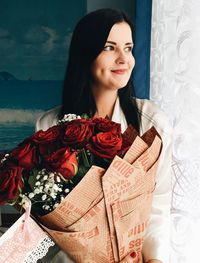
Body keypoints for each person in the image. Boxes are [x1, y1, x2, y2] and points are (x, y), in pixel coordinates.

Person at [36, 8, 172, 263]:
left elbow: (159, 205)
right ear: (86, 54)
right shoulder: (48, 126)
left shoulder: (152, 124)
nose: (124, 59)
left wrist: (155, 258)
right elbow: (48, 213)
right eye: (110, 47)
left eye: (129, 48)